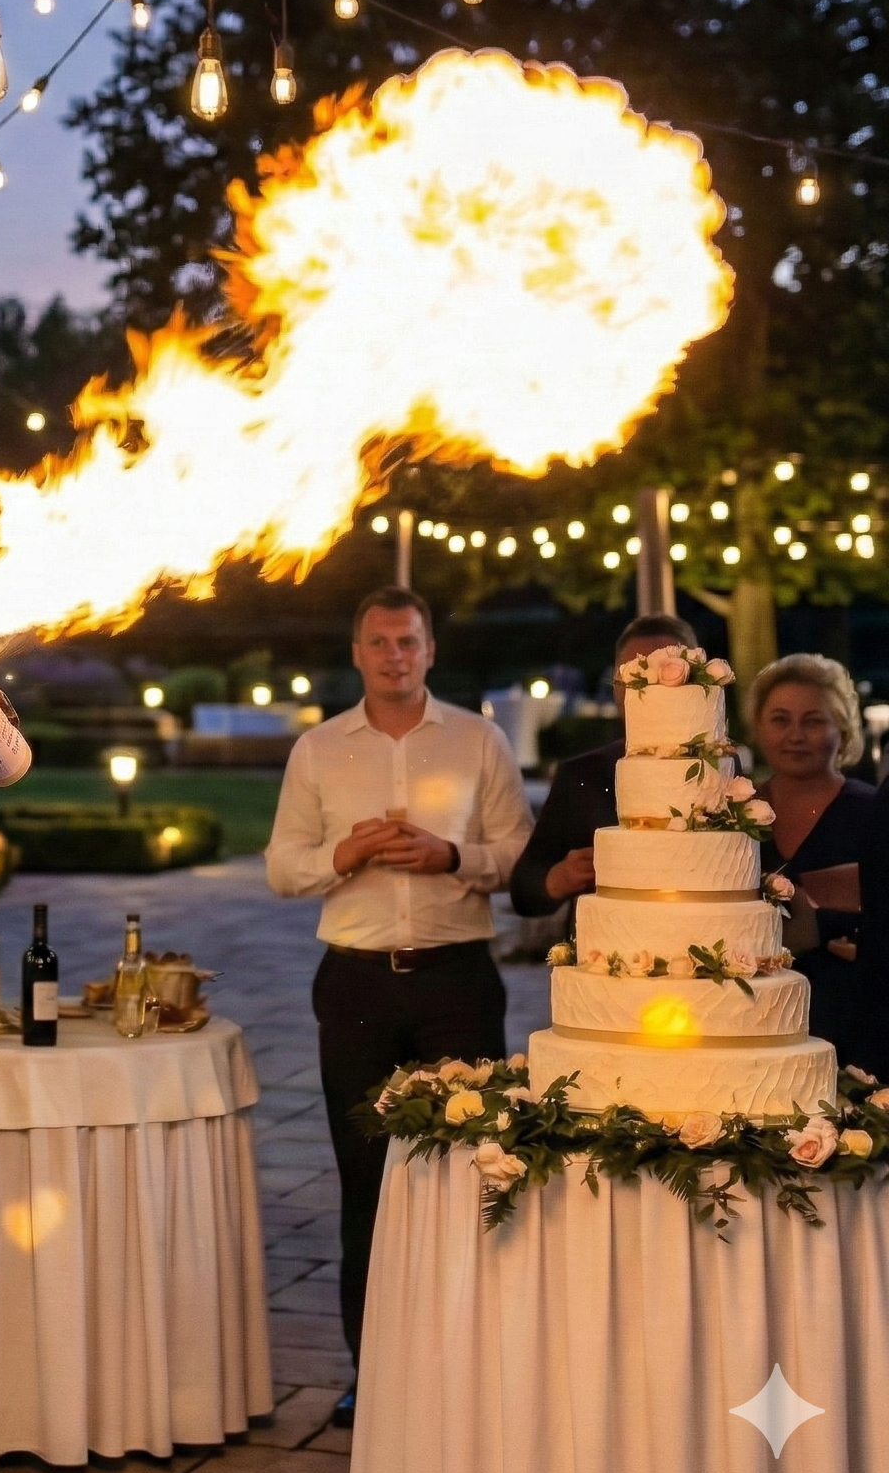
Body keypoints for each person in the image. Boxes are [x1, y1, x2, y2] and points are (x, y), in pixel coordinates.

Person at [264, 584, 530, 1428]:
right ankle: (369, 1371)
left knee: (474, 1173)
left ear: (429, 651)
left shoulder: (479, 740)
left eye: (408, 642)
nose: (393, 656)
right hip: (357, 985)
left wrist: (449, 853)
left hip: (457, 978)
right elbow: (282, 868)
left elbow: (519, 857)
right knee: (365, 1178)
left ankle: (474, 1360)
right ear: (357, 652)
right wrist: (345, 854)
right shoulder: (318, 750)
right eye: (379, 642)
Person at [508, 611, 702, 920]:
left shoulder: (722, 770)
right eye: (634, 676)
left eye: (665, 673)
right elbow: (524, 890)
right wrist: (561, 877)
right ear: (615, 685)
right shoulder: (582, 775)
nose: (647, 688)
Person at [745, 653, 873, 1062]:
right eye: (780, 719)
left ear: (844, 729)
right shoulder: (729, 815)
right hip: (748, 1026)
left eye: (813, 721)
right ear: (759, 728)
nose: (795, 735)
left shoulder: (874, 814)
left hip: (854, 1027)